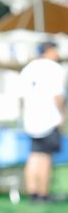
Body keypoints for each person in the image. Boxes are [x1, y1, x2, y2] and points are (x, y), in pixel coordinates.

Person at [19, 40, 66, 201]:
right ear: (49, 50)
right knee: (45, 157)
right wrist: (63, 114)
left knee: (34, 156)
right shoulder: (53, 68)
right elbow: (57, 96)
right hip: (49, 119)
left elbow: (21, 97)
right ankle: (43, 194)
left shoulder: (28, 68)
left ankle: (33, 193)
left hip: (31, 120)